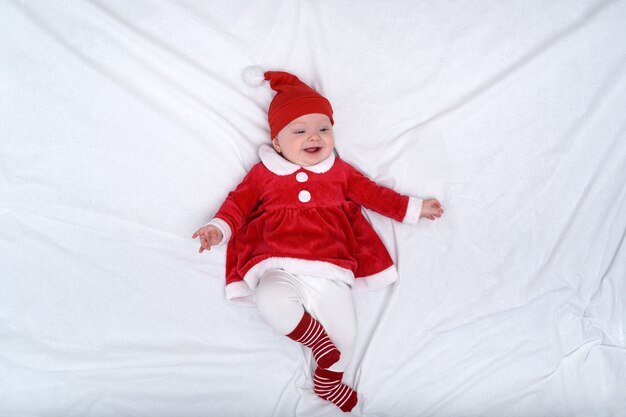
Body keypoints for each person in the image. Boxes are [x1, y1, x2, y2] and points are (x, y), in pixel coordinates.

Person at [192, 68, 443, 412]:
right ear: (277, 142)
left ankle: (329, 380)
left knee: (347, 335)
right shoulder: (264, 174)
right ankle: (315, 341)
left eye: (324, 129)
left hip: (331, 269)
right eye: (300, 131)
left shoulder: (340, 173)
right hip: (278, 265)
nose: (315, 137)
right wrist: (217, 229)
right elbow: (237, 204)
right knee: (270, 300)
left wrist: (413, 208)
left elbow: (375, 195)